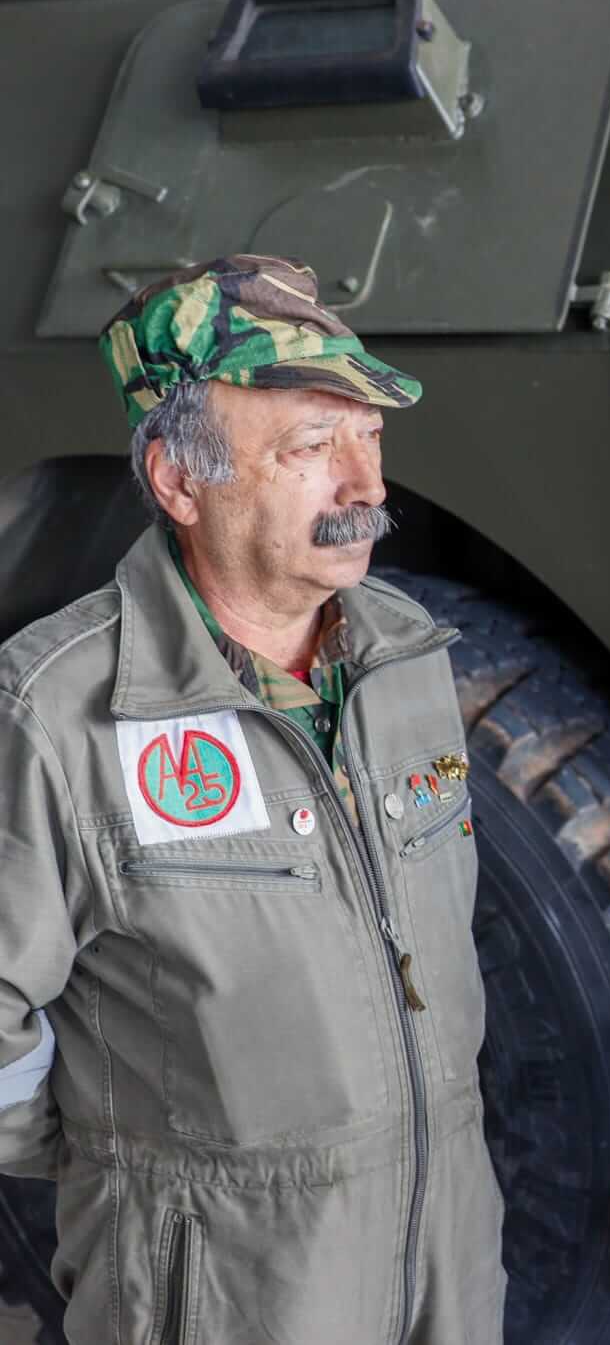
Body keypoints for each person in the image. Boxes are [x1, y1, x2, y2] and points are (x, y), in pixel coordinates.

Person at [0, 256, 504, 1342]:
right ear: (182, 482)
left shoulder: (406, 656)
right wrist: (122, 1157)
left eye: (369, 437)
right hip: (224, 1294)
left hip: (447, 1261)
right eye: (312, 447)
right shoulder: (58, 710)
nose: (365, 488)